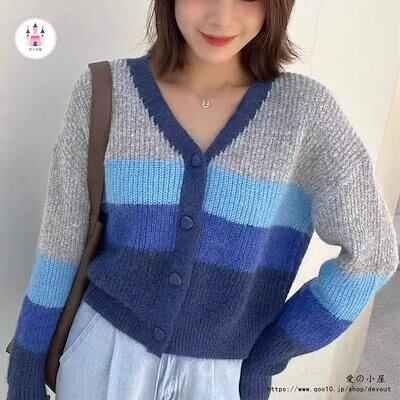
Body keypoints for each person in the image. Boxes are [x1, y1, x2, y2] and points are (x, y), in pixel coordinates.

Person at [6, 1, 399, 399]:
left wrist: (268, 356)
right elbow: (61, 244)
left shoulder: (305, 115)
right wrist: (26, 363)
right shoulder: (106, 92)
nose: (221, 17)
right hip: (101, 357)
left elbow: (374, 254)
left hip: (220, 379)